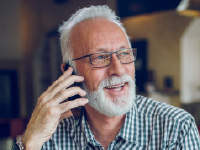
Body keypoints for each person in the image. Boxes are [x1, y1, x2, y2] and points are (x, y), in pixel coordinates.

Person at [13, 5, 200, 150]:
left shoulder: (175, 127)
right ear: (69, 71)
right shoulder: (50, 136)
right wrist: (30, 143)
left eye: (124, 53)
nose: (118, 70)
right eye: (100, 57)